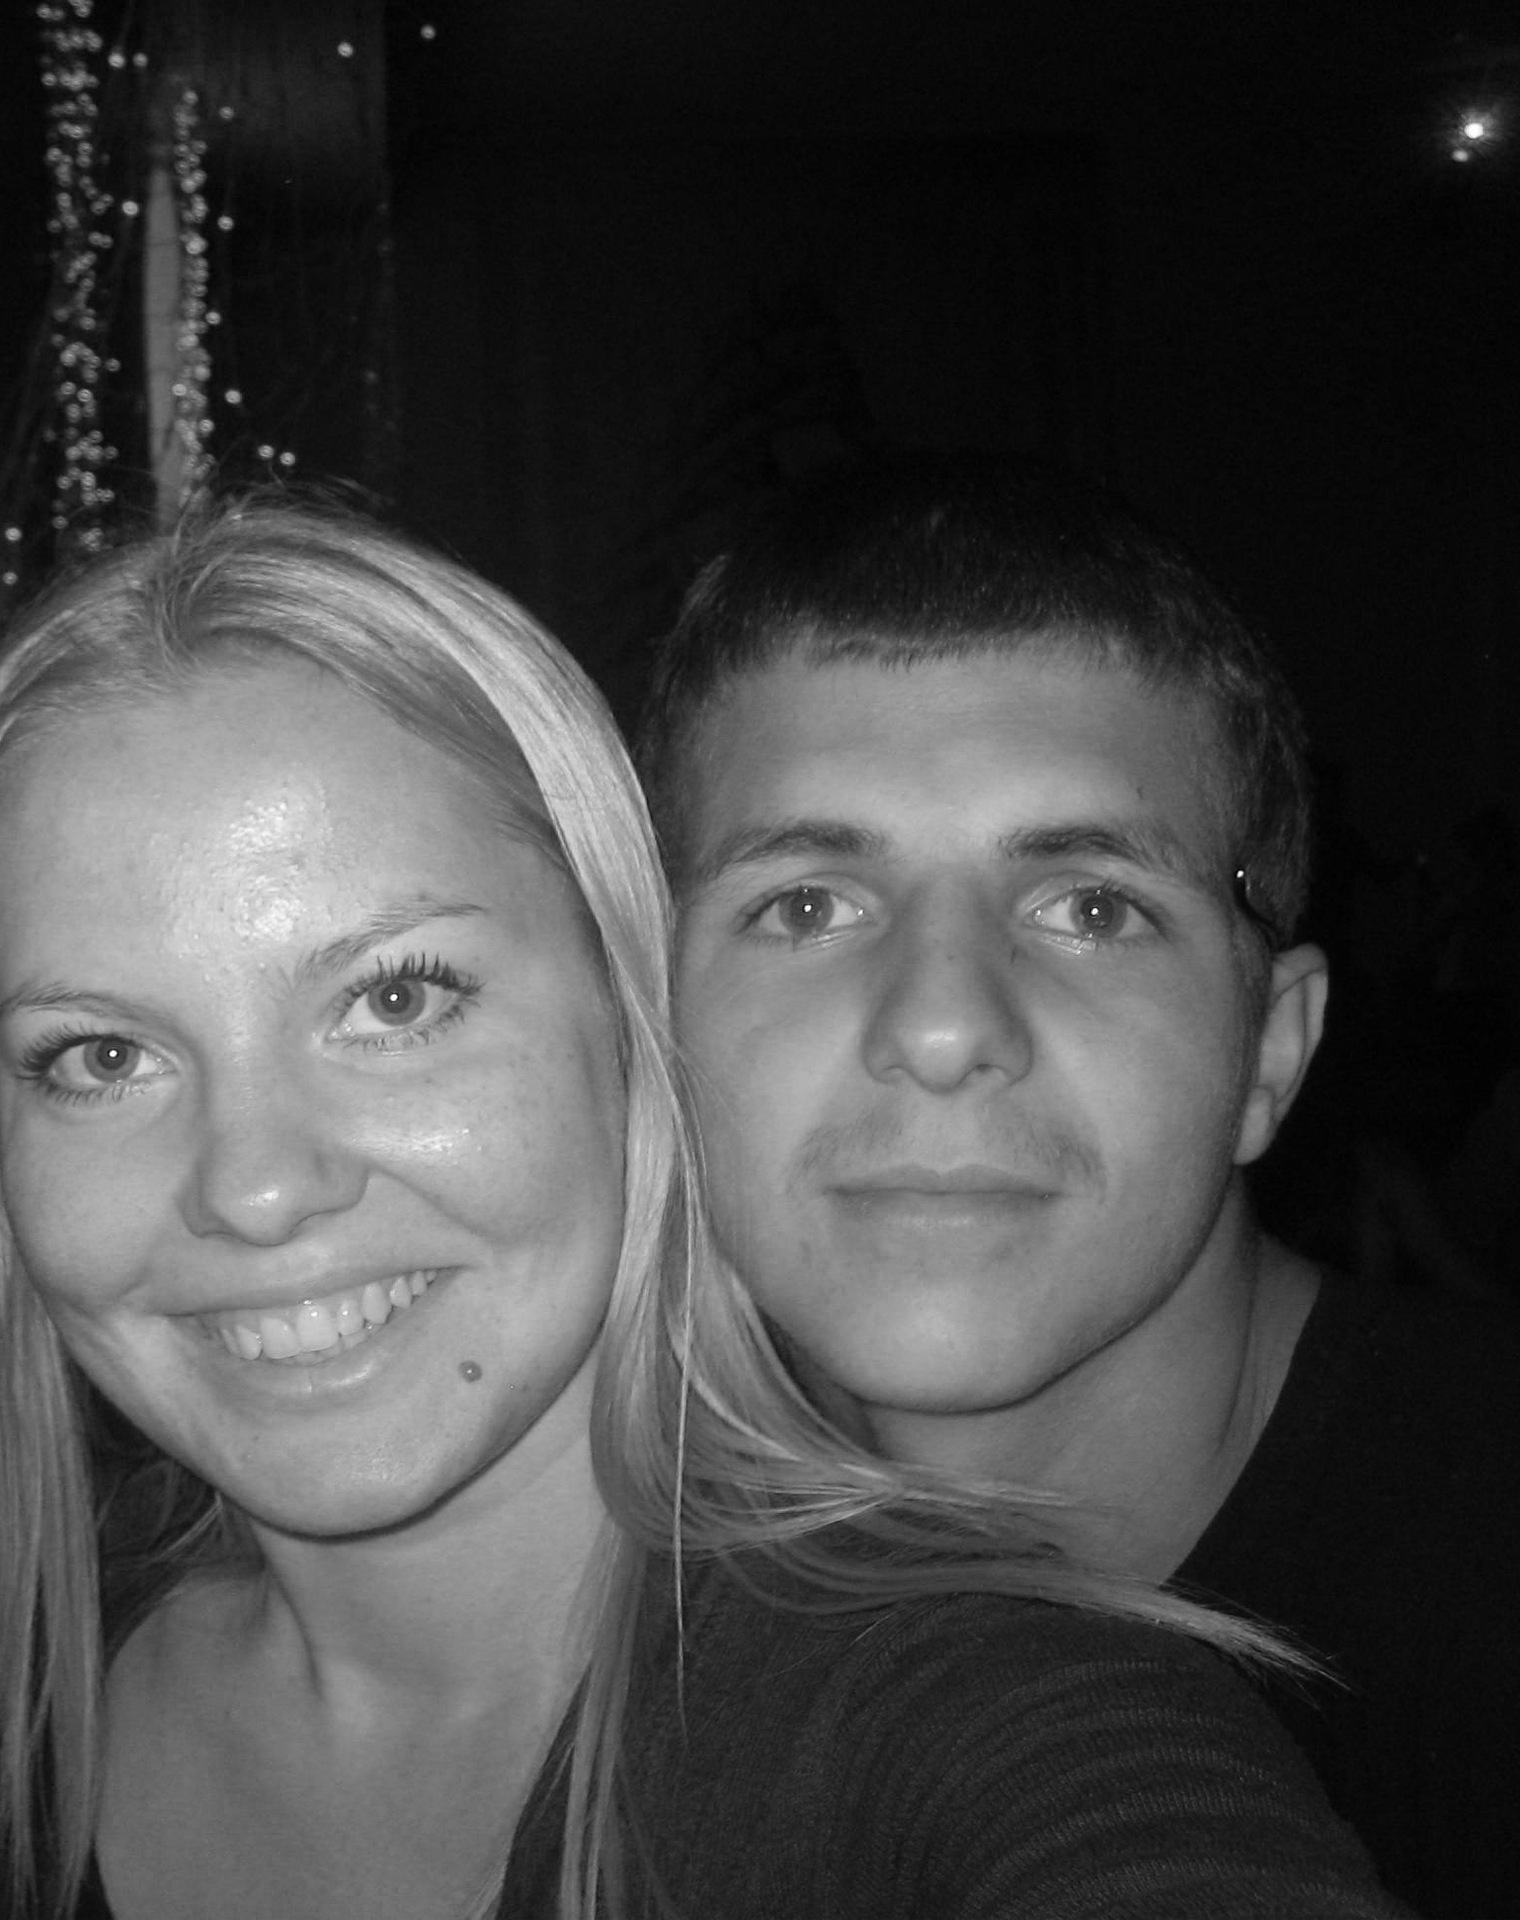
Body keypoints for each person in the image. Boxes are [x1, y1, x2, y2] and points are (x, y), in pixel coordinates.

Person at [0, 497, 1400, 1919]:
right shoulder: (27, 1732)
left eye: (396, 998)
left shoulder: (989, 1716)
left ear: (639, 1023)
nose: (256, 1186)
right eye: (100, 1056)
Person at [635, 456, 1520, 1917]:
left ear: (1271, 1052)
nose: (941, 1027)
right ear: (653, 1014)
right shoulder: (591, 1579)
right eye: (806, 905)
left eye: (1093, 907)